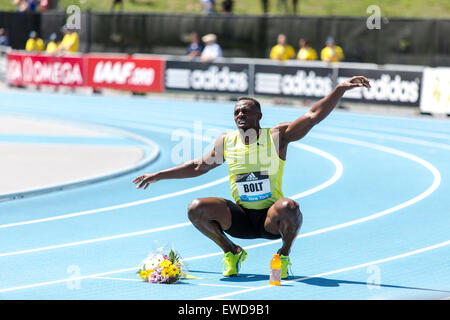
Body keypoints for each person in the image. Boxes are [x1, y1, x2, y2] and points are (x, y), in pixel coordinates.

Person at [133, 75, 371, 278]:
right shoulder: (226, 142)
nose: (240, 115)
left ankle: (283, 258)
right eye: (236, 112)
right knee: (196, 208)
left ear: (259, 115)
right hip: (241, 219)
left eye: (246, 111)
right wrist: (159, 175)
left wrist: (340, 89)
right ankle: (232, 252)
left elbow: (312, 115)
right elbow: (198, 167)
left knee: (290, 207)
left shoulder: (277, 137)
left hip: (271, 219)